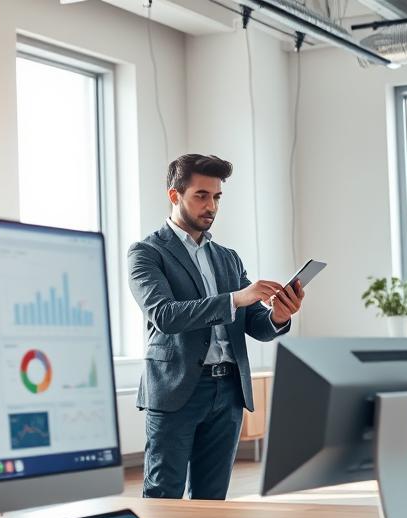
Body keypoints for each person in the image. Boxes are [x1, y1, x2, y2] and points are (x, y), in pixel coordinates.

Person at [128, 153, 305, 499]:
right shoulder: (146, 253)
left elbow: (255, 323)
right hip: (177, 390)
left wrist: (279, 316)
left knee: (213, 500)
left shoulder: (228, 257)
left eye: (217, 197)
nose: (211, 206)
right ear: (174, 195)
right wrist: (236, 299)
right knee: (164, 496)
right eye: (201, 195)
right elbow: (165, 314)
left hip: (228, 393)